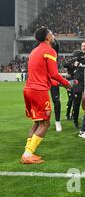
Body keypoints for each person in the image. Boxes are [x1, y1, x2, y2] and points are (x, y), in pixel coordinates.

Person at [21, 27, 72, 164]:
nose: (53, 35)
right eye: (51, 34)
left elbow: (47, 76)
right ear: (47, 38)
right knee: (45, 123)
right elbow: (54, 74)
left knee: (37, 122)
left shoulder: (34, 51)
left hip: (29, 89)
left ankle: (28, 151)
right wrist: (67, 83)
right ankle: (27, 155)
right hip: (39, 91)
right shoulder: (49, 51)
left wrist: (61, 83)